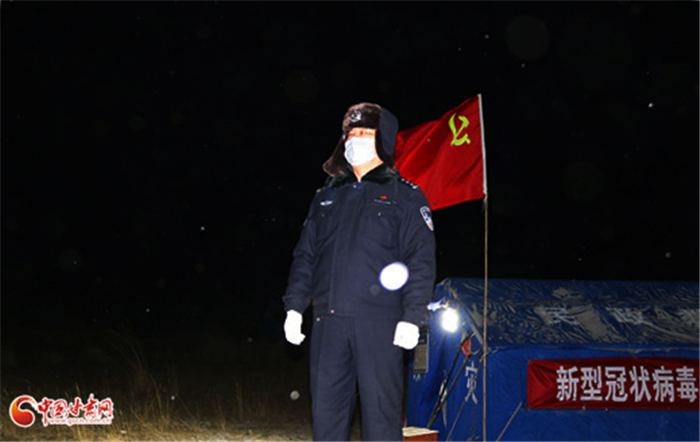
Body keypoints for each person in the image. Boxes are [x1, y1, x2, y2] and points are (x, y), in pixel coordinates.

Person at [283, 103, 436, 441]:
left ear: (383, 140)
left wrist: (412, 317)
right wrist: (294, 307)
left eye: (365, 133)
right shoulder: (326, 196)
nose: (356, 139)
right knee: (327, 415)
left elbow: (420, 261)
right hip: (328, 322)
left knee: (381, 417)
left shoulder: (405, 196)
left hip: (380, 323)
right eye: (351, 134)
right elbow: (306, 255)